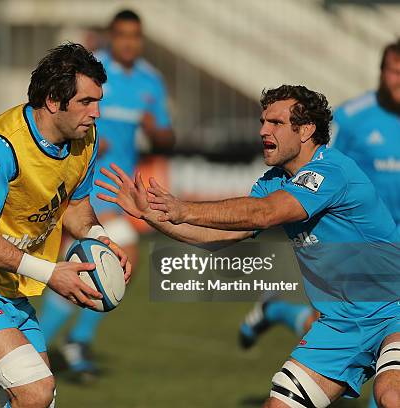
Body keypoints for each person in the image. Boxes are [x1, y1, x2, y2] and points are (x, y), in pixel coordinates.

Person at [97, 85, 399, 407]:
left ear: (307, 130)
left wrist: (184, 207)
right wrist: (151, 215)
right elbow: (220, 235)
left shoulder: (331, 170)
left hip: (392, 308)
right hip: (339, 324)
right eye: (263, 121)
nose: (263, 131)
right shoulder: (274, 181)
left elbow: (265, 213)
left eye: (276, 123)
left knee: (390, 396)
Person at [0, 43, 131, 407]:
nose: (96, 112)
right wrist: (50, 273)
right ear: (52, 100)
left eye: (98, 101)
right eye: (85, 102)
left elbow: (76, 207)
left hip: (12, 291)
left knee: (38, 400)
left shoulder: (85, 140)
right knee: (35, 390)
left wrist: (100, 238)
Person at [238, 39, 400, 408]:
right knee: (330, 319)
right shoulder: (354, 117)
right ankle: (277, 309)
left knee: (390, 392)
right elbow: (318, 167)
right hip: (348, 244)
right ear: (381, 72)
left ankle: (275, 310)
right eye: (394, 69)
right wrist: (167, 213)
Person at [38, 9, 173, 378]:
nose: (129, 42)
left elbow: (166, 136)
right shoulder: (94, 76)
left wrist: (154, 128)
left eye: (136, 36)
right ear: (112, 36)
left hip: (118, 187)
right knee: (117, 258)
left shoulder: (151, 81)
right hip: (86, 184)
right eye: (122, 35)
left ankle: (49, 339)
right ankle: (68, 340)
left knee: (91, 268)